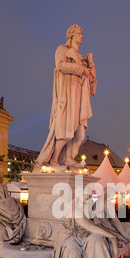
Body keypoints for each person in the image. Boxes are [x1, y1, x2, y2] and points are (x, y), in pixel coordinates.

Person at [33, 25, 96, 171]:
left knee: (79, 134)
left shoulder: (82, 58)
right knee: (66, 129)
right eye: (79, 33)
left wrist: (90, 67)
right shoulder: (62, 50)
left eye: (82, 34)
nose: (82, 36)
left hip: (80, 96)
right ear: (71, 35)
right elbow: (60, 65)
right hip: (68, 95)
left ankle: (68, 158)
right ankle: (55, 158)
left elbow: (92, 84)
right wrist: (81, 70)